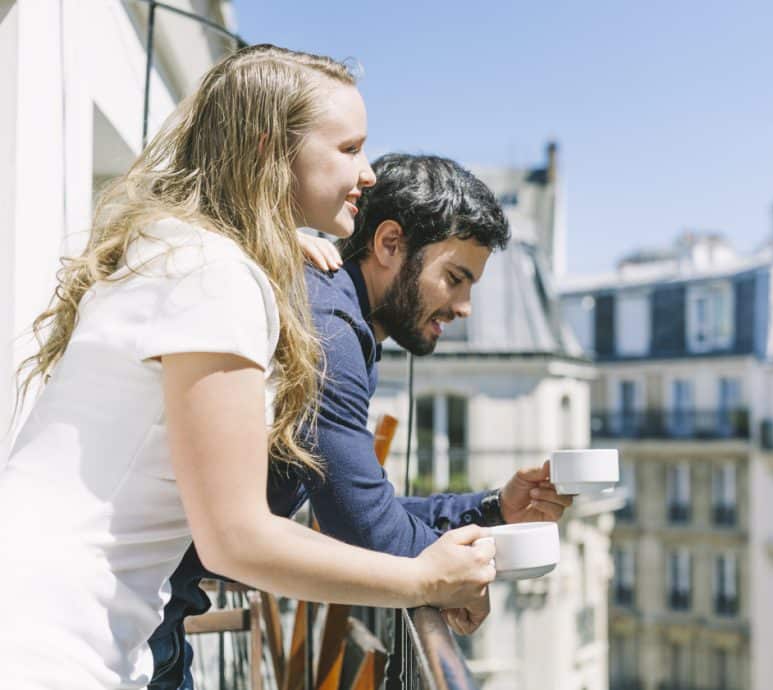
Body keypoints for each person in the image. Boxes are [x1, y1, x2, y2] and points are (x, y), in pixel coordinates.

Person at [0, 45, 495, 690]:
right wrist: (423, 580)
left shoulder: (179, 251)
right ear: (269, 149)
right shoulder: (213, 275)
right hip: (52, 637)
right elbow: (236, 536)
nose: (368, 173)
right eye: (348, 149)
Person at [147, 153, 576, 689]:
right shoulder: (331, 330)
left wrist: (489, 510)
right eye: (455, 277)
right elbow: (368, 530)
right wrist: (458, 577)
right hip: (138, 623)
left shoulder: (334, 314)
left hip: (157, 613)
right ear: (389, 244)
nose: (464, 306)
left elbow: (352, 506)